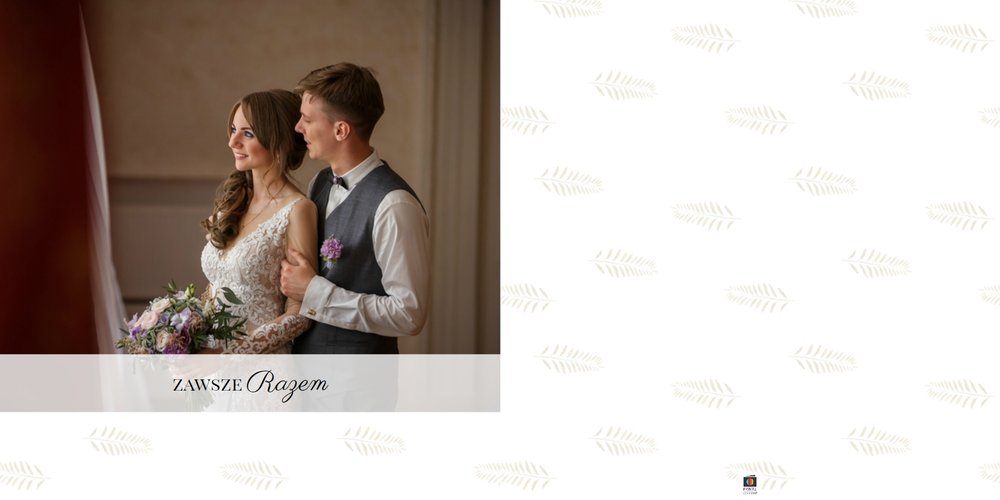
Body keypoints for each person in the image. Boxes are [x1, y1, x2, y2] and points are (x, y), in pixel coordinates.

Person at [280, 63, 430, 354]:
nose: (298, 128)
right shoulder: (319, 183)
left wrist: (315, 293)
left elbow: (409, 314)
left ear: (340, 130)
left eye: (307, 119)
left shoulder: (395, 205)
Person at [199, 89, 318, 354]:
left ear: (278, 141)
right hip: (211, 365)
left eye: (248, 134)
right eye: (233, 130)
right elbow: (218, 287)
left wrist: (229, 355)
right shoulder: (232, 204)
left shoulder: (297, 210)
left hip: (260, 366)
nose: (233, 141)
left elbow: (300, 314)